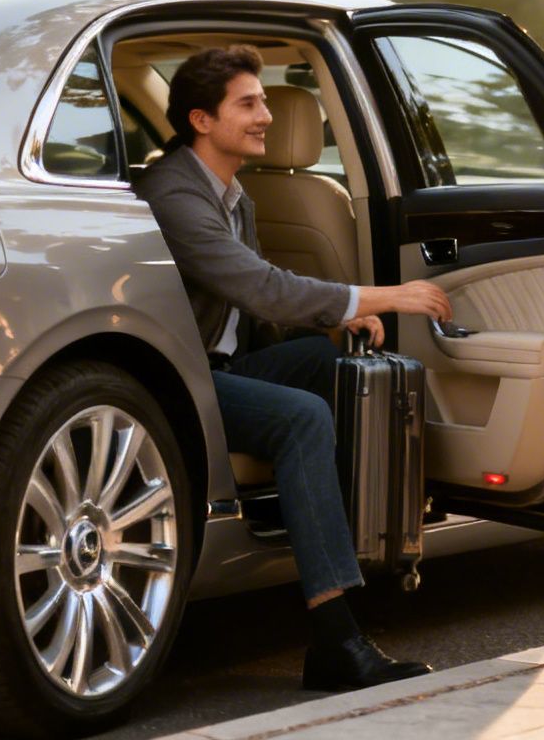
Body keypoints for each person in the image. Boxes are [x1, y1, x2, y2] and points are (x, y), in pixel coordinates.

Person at [137, 45, 453, 689]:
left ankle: (364, 551)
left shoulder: (232, 193)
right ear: (202, 120)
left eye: (262, 102)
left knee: (341, 365)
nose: (266, 116)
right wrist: (376, 297)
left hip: (227, 365)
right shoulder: (172, 194)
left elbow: (259, 313)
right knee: (304, 416)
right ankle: (336, 640)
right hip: (182, 383)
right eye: (248, 104)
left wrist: (334, 322)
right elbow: (257, 287)